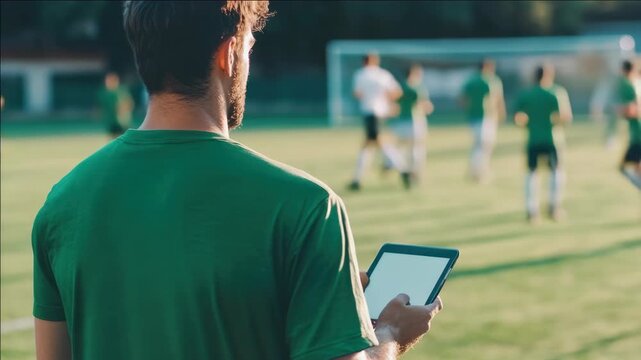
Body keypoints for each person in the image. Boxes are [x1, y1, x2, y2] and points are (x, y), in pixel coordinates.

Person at [32, 2, 444, 360]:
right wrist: (389, 335)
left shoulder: (62, 203)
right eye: (249, 45)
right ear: (229, 54)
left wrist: (321, 302)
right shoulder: (307, 206)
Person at [514, 65, 569, 223]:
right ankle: (554, 207)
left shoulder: (526, 94)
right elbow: (565, 117)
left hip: (533, 139)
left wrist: (530, 123)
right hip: (552, 139)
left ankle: (532, 210)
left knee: (532, 174)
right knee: (555, 173)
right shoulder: (556, 92)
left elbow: (518, 118)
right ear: (549, 75)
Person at [349, 53, 410, 190]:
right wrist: (387, 103)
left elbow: (357, 94)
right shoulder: (383, 74)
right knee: (369, 145)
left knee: (378, 144)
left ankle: (403, 169)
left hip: (370, 113)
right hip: (382, 113)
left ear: (364, 62)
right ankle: (357, 180)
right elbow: (397, 92)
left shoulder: (361, 74)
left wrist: (370, 97)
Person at [460, 59, 506, 183]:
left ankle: (477, 170)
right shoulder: (491, 80)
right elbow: (498, 100)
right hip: (487, 117)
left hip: (473, 117)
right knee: (485, 145)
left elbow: (462, 99)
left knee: (478, 144)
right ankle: (479, 171)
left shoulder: (470, 81)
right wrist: (501, 114)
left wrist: (469, 109)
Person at [388, 64, 433, 183]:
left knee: (400, 147)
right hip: (415, 121)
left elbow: (393, 103)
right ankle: (413, 173)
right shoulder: (417, 88)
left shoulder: (400, 87)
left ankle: (396, 166)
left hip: (401, 121)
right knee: (416, 148)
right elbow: (425, 105)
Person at [615, 60, 641, 190]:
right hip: (637, 133)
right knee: (637, 168)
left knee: (623, 167)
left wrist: (620, 110)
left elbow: (633, 110)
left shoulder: (629, 85)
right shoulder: (637, 83)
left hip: (638, 134)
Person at [99, 71, 134, 138]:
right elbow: (101, 106)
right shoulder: (104, 93)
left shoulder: (121, 91)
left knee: (124, 138)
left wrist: (122, 110)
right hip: (111, 121)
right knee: (113, 139)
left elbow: (129, 103)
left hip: (122, 121)